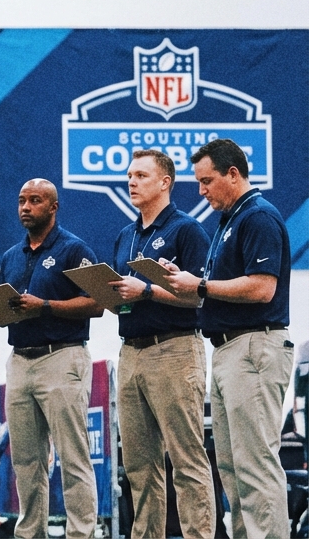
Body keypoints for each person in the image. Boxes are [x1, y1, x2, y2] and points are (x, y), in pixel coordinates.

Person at [165, 138, 295, 539]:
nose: (201, 191)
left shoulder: (258, 217)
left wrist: (200, 285)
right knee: (233, 468)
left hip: (254, 347)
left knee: (255, 465)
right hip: (228, 350)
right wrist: (178, 282)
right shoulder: (229, 222)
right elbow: (214, 288)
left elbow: (262, 288)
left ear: (233, 174)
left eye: (207, 181)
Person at [106, 151, 214, 539]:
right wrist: (111, 295)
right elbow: (126, 296)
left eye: (141, 175)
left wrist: (147, 290)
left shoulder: (187, 230)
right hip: (131, 351)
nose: (131, 182)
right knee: (139, 465)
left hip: (175, 350)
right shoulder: (126, 235)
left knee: (186, 459)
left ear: (165, 182)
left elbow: (200, 298)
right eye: (129, 175)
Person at [0, 180, 102, 539]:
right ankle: (30, 533)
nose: (26, 207)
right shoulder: (11, 256)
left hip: (62, 357)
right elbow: (9, 311)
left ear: (53, 207)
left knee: (73, 457)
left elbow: (97, 303)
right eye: (21, 201)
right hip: (20, 360)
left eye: (35, 201)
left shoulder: (75, 250)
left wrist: (44, 306)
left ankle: (81, 534)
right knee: (26, 461)